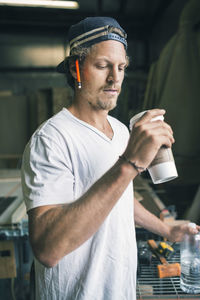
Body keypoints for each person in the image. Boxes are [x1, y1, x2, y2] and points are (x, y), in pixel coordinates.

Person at [21, 17, 200, 300]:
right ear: (75, 68)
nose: (115, 78)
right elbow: (47, 250)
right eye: (103, 66)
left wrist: (163, 227)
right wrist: (129, 164)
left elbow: (118, 196)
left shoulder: (119, 130)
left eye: (121, 67)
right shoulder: (52, 140)